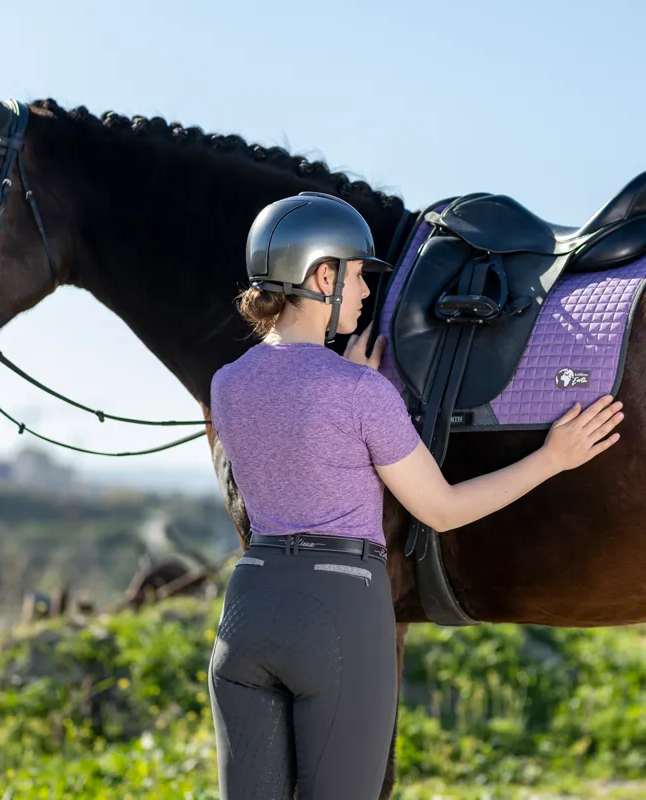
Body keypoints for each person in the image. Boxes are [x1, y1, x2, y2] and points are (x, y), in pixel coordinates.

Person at [207, 192, 623, 800]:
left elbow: (300, 436)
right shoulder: (360, 392)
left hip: (246, 611)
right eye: (358, 278)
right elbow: (442, 510)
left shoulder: (227, 383)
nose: (366, 294)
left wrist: (353, 385)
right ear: (323, 276)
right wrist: (550, 459)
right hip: (340, 611)